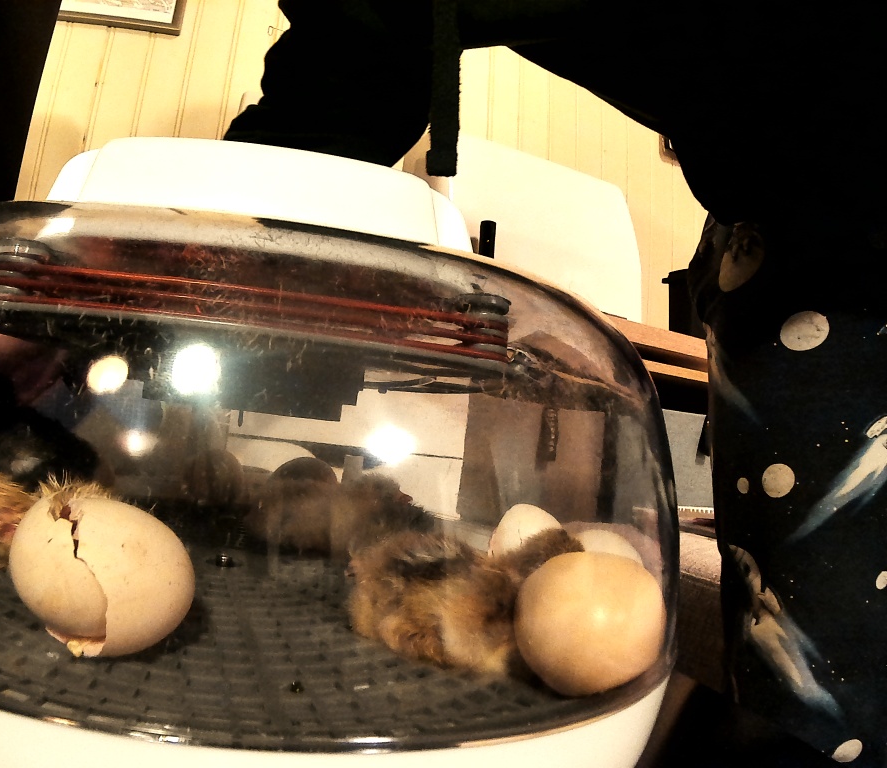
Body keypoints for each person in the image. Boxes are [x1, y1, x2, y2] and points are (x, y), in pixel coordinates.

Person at [224, 1, 886, 764]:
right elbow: (367, 46)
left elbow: (368, 37)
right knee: (818, 698)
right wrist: (241, 234)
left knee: (825, 703)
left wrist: (242, 238)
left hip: (845, 234)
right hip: (808, 237)